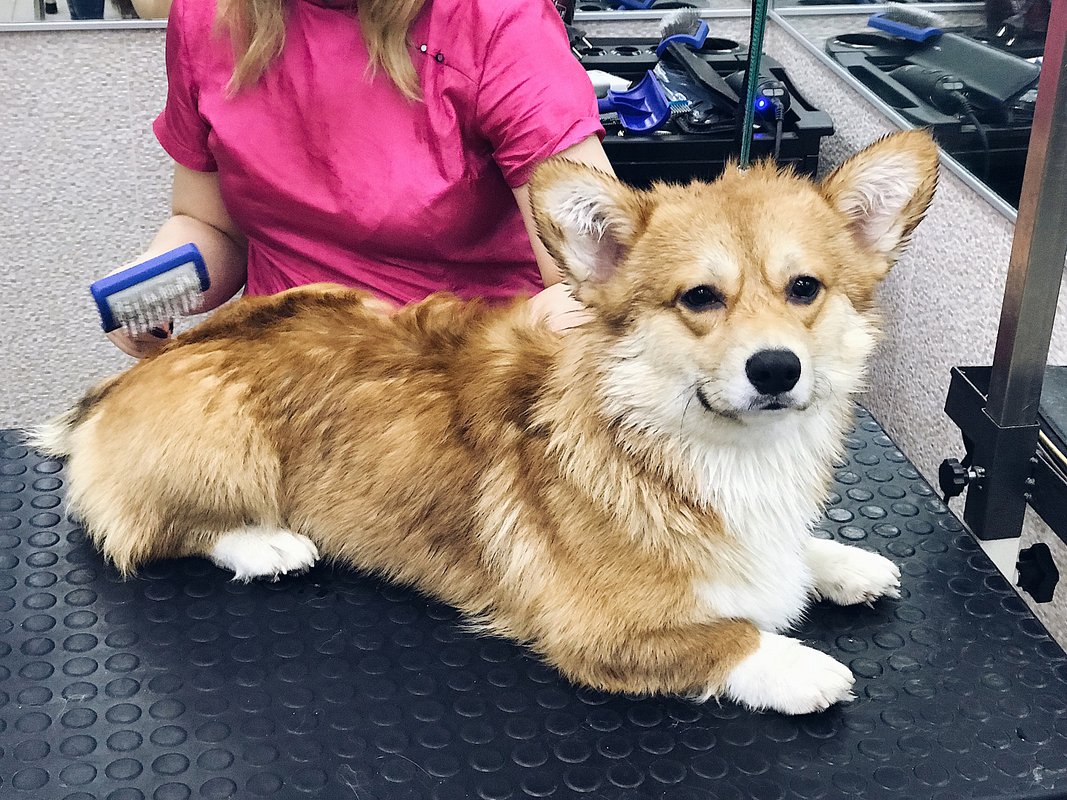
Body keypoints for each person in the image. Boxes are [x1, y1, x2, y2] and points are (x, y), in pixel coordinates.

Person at [109, 0, 612, 358]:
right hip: (274, 380)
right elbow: (211, 228)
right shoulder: (207, 15)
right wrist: (150, 290)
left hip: (450, 395)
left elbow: (597, 284)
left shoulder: (495, 18)